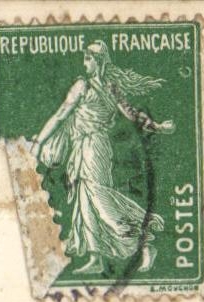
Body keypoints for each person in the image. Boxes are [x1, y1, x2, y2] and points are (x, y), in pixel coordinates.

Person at [32, 41, 175, 275]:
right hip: (80, 147)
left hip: (95, 146)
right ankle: (95, 257)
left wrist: (156, 126)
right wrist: (40, 143)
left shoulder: (105, 86)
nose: (85, 63)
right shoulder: (85, 85)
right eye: (84, 58)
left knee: (99, 199)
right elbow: (60, 115)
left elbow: (130, 114)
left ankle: (146, 243)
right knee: (84, 200)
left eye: (89, 59)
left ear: (98, 61)